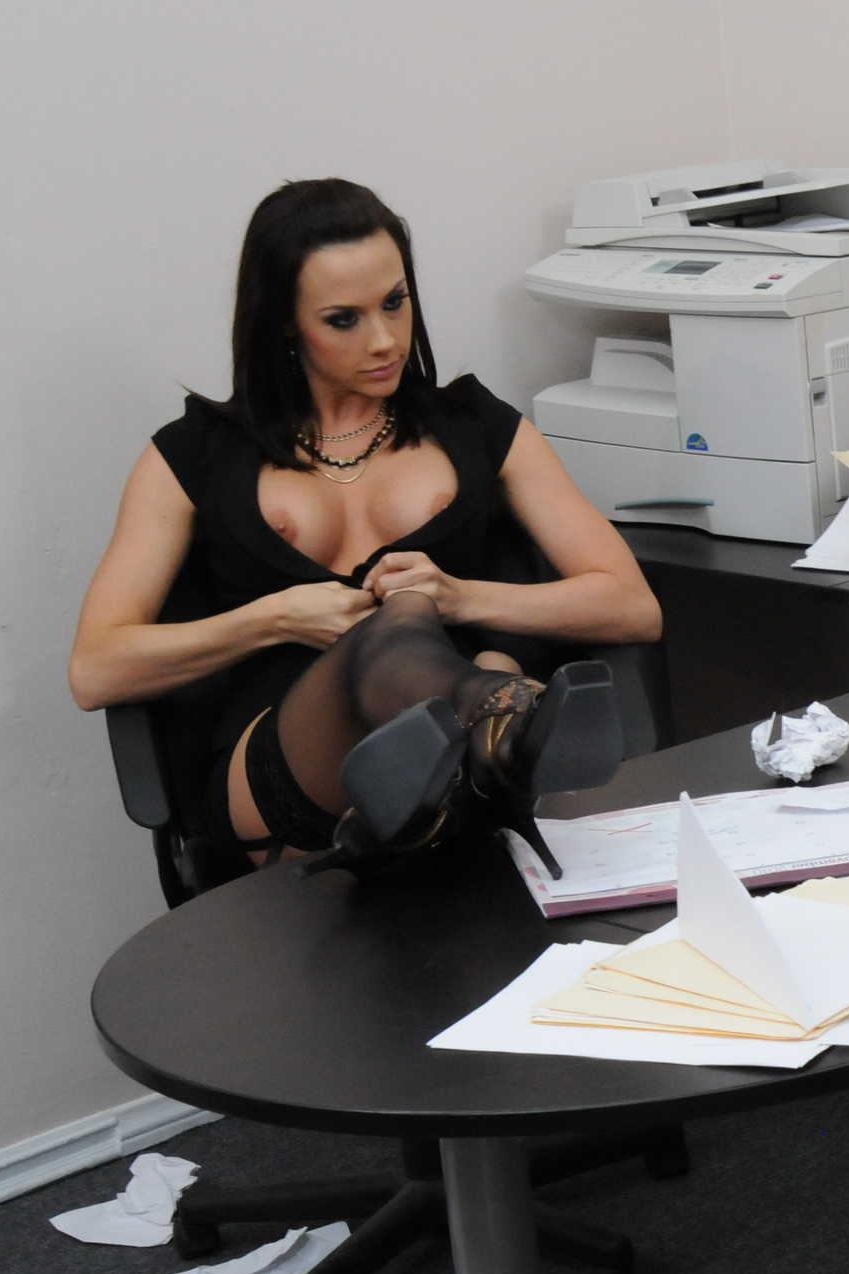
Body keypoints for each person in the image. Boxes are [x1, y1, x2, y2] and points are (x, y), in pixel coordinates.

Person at [70, 177, 662, 872]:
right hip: (284, 771)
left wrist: (461, 597)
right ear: (284, 322)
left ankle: (469, 741)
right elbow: (96, 669)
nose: (384, 340)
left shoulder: (476, 426)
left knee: (428, 627)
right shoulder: (193, 454)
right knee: (425, 642)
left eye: (395, 303)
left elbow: (633, 606)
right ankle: (502, 717)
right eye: (343, 319)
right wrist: (273, 619)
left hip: (445, 740)